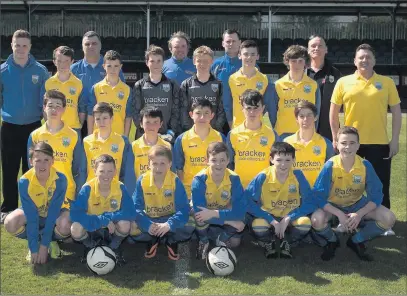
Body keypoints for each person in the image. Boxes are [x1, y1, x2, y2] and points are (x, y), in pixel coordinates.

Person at [330, 44, 402, 211]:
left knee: (381, 184)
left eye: (368, 57)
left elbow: (397, 113)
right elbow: (333, 113)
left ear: (374, 61)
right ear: (355, 61)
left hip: (379, 143)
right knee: (346, 184)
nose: (364, 60)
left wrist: (395, 140)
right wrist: (335, 137)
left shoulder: (387, 82)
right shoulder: (343, 82)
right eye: (361, 57)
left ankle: (383, 221)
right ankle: (344, 216)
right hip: (351, 144)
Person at [311, 126, 396, 261]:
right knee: (317, 220)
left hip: (356, 204)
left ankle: (356, 240)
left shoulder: (365, 165)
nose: (347, 147)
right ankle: (332, 240)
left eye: (352, 143)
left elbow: (376, 195)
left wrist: (359, 214)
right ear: (337, 145)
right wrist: (339, 214)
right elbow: (319, 197)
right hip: (333, 206)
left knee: (388, 218)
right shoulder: (330, 166)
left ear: (358, 146)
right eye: (343, 143)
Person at [1, 29, 50, 223]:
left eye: (24, 45)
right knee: (9, 169)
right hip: (9, 127)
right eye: (17, 45)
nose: (20, 49)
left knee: (31, 169)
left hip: (33, 127)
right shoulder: (3, 71)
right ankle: (8, 207)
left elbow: (45, 101)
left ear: (30, 47)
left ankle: (31, 206)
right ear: (11, 46)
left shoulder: (40, 71)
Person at [246, 142, 316, 259]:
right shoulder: (263, 176)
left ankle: (287, 242)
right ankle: (269, 242)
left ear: (294, 160)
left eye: (288, 160)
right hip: (268, 215)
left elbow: (310, 202)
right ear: (271, 159)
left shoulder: (298, 175)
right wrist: (271, 220)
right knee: (258, 226)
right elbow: (247, 202)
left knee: (305, 223)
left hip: (290, 215)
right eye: (279, 160)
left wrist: (289, 218)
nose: (283, 164)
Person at [27, 90, 86, 227]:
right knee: (13, 222)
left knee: (64, 225)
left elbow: (78, 168)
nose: (54, 109)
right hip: (41, 191)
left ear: (64, 109)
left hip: (66, 192)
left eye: (58, 106)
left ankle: (53, 236)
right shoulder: (35, 135)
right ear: (44, 108)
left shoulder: (73, 135)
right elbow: (31, 168)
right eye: (50, 105)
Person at [4, 142, 68, 264]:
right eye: (38, 160)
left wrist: (44, 246)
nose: (42, 165)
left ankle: (49, 241)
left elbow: (53, 213)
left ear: (53, 161)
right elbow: (31, 216)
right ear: (31, 161)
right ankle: (35, 242)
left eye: (46, 160)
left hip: (53, 215)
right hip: (33, 215)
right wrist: (34, 249)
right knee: (10, 222)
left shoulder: (60, 179)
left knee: (66, 224)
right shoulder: (24, 182)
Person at [129, 145, 194, 260]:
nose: (158, 168)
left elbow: (184, 209)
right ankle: (153, 239)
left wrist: (169, 224)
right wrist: (147, 224)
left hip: (170, 218)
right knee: (131, 228)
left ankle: (170, 240)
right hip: (151, 219)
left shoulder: (175, 181)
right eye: (154, 164)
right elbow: (135, 208)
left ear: (169, 164)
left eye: (162, 163)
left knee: (191, 223)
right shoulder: (142, 180)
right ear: (149, 164)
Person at [70, 154, 137, 262]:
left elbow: (131, 212)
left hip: (112, 229)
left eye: (110, 171)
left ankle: (114, 247)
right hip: (92, 228)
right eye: (102, 171)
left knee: (126, 224)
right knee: (75, 228)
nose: (106, 175)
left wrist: (108, 217)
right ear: (95, 171)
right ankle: (90, 246)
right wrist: (101, 220)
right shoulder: (87, 188)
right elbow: (75, 215)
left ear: (115, 171)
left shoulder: (120, 187)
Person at [192, 142, 246, 260]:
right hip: (207, 214)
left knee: (236, 240)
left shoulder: (234, 179)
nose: (218, 164)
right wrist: (228, 221)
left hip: (220, 212)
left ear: (228, 160)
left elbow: (240, 211)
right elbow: (199, 212)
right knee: (199, 217)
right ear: (207, 160)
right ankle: (204, 241)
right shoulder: (199, 179)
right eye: (214, 160)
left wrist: (214, 213)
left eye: (222, 160)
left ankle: (220, 239)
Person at [71, 31, 125, 138]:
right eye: (87, 44)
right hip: (78, 120)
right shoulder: (73, 69)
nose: (91, 46)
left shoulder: (111, 66)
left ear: (100, 46)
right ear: (82, 47)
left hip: (103, 121)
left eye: (94, 43)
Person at [174, 98, 225, 197]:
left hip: (215, 191)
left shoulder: (220, 138)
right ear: (191, 115)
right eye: (198, 113)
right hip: (190, 192)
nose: (202, 117)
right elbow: (179, 169)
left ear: (212, 115)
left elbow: (226, 166)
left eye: (206, 113)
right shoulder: (182, 139)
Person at [227, 90, 279, 188]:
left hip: (264, 187)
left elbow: (276, 164)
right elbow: (229, 164)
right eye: (248, 108)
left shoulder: (272, 134)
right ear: (242, 109)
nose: (252, 112)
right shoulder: (233, 134)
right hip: (240, 188)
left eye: (256, 108)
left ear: (263, 108)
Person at [271, 45, 321, 139]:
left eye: (300, 61)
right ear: (287, 62)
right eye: (293, 61)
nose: (297, 64)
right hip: (283, 134)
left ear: (305, 63)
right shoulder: (277, 85)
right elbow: (273, 113)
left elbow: (316, 112)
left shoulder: (313, 85)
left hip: (306, 134)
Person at [133, 45, 181, 142]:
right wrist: (146, 130)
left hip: (166, 136)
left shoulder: (172, 85)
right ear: (147, 63)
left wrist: (171, 131)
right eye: (152, 61)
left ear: (163, 62)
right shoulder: (139, 85)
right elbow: (136, 112)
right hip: (145, 136)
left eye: (159, 61)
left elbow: (176, 110)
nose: (156, 64)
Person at [223, 40, 275, 130]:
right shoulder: (232, 79)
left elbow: (269, 107)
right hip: (238, 129)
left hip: (259, 129)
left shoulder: (265, 80)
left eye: (252, 54)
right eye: (246, 54)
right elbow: (228, 106)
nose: (249, 57)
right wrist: (232, 127)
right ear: (239, 56)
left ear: (257, 56)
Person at [83, 103, 135, 192]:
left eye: (105, 118)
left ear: (112, 119)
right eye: (98, 119)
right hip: (92, 193)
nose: (101, 122)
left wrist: (127, 194)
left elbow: (128, 171)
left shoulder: (122, 141)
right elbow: (82, 171)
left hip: (115, 192)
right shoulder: (87, 141)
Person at [284, 101, 334, 186]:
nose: (305, 119)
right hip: (293, 193)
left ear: (315, 117)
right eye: (301, 116)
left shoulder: (326, 143)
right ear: (296, 119)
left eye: (309, 115)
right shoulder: (287, 143)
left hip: (317, 193)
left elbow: (331, 172)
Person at [180, 46, 226, 133]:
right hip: (192, 133)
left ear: (212, 61)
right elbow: (183, 110)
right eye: (199, 61)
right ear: (194, 61)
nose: (202, 64)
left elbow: (222, 110)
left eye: (206, 61)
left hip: (213, 132)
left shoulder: (219, 85)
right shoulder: (186, 85)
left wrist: (215, 129)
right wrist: (189, 130)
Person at [41, 46, 86, 134]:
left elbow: (82, 109)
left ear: (72, 62)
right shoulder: (48, 83)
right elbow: (44, 108)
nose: (63, 65)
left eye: (66, 61)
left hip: (73, 128)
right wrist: (51, 125)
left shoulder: (78, 83)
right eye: (59, 61)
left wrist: (78, 126)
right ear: (54, 62)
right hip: (54, 129)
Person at [87, 50, 132, 137]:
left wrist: (125, 137)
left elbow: (128, 116)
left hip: (118, 137)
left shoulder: (127, 90)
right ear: (103, 66)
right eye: (109, 66)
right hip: (99, 138)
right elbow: (90, 114)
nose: (112, 69)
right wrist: (90, 135)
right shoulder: (96, 88)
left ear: (120, 66)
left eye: (116, 66)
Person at [306, 35, 342, 141]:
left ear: (326, 50)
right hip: (305, 126)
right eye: (313, 46)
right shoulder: (301, 72)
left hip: (328, 130)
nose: (316, 48)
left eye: (320, 46)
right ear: (308, 50)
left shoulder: (335, 73)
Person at [132, 106, 172, 180]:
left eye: (155, 122)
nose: (151, 126)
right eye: (148, 122)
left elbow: (171, 173)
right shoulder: (133, 147)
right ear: (141, 124)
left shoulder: (167, 146)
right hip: (141, 189)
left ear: (161, 124)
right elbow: (130, 174)